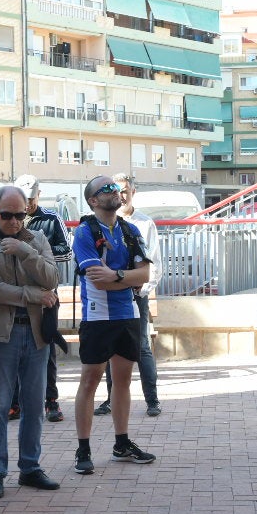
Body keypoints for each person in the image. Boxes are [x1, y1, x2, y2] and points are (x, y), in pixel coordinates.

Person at [0, 185, 62, 498]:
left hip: (37, 334)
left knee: (35, 406)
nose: (13, 221)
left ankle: (30, 468)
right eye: (7, 215)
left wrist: (25, 251)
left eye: (20, 214)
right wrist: (32, 296)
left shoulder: (36, 240)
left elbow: (52, 279)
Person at [71, 176, 156, 474]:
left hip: (128, 314)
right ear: (93, 200)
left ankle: (122, 444)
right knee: (91, 380)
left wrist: (117, 276)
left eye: (114, 188)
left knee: (122, 380)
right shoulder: (84, 232)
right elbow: (98, 278)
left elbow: (144, 275)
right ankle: (83, 449)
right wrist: (125, 277)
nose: (113, 191)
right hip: (98, 317)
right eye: (104, 189)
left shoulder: (130, 230)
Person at [95, 172, 162, 417]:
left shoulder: (144, 224)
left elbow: (154, 264)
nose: (120, 196)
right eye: (115, 190)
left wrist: (140, 289)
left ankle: (152, 400)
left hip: (136, 295)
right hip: (110, 297)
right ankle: (111, 399)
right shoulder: (100, 225)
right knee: (112, 347)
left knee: (142, 346)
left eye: (125, 190)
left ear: (133, 192)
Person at [12, 174, 69, 423]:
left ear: (39, 195)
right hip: (14, 295)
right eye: (23, 200)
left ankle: (51, 401)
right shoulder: (7, 218)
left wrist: (35, 253)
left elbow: (66, 251)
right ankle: (14, 404)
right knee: (11, 350)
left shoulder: (51, 219)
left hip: (45, 293)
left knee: (47, 349)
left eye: (31, 199)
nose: (26, 206)